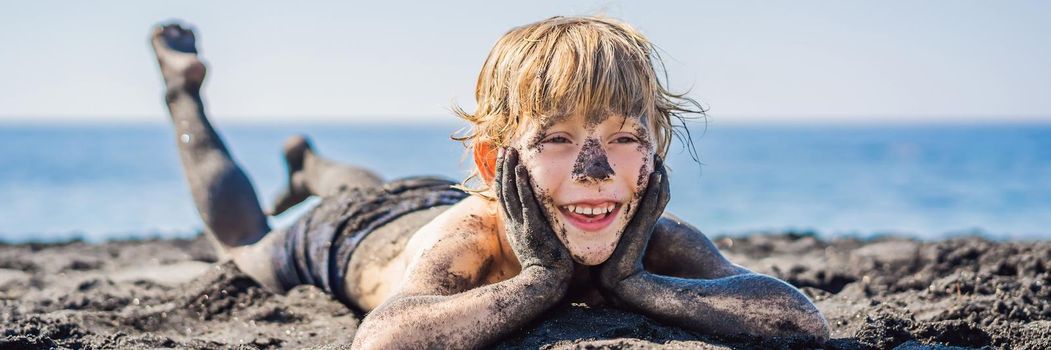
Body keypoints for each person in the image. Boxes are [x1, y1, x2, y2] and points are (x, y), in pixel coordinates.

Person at [150, 16, 830, 349]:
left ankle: (308, 165)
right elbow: (384, 340)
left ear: (652, 153)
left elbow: (797, 321)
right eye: (558, 140)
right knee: (241, 243)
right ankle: (184, 97)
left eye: (623, 139)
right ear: (493, 162)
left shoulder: (653, 238)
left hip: (420, 197)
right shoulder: (470, 234)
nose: (595, 173)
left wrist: (637, 285)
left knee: (368, 184)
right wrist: (538, 284)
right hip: (349, 237)